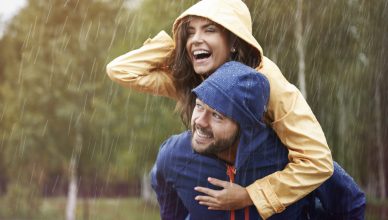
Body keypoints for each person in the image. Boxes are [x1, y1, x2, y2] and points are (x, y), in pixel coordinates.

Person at [106, 0, 333, 218]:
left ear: (234, 40)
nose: (196, 38)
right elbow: (121, 70)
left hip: (274, 196)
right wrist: (180, 46)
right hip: (215, 185)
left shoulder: (267, 81)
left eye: (209, 30)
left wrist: (250, 195)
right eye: (191, 31)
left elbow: (317, 162)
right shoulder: (194, 78)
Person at [151, 61, 365, 220]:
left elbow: (351, 203)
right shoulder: (174, 155)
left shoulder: (291, 158)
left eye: (217, 115)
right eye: (199, 106)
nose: (200, 122)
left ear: (246, 126)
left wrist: (251, 196)